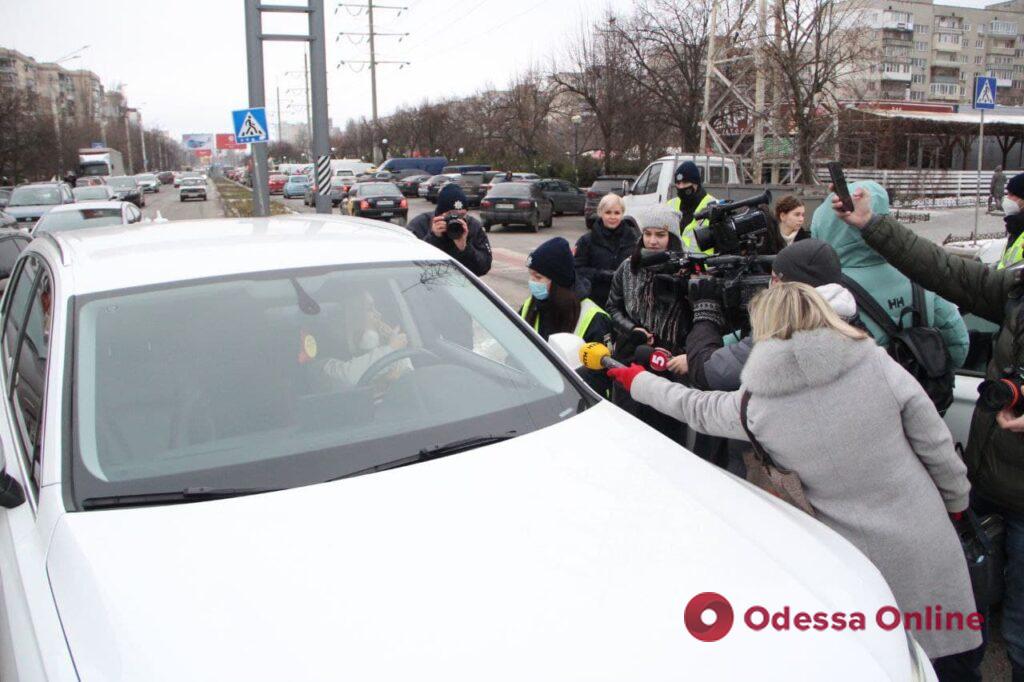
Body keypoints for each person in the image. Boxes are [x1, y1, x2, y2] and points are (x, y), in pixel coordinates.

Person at [607, 282, 981, 670]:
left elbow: (693, 406)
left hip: (844, 563)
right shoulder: (876, 364)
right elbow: (936, 445)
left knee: (877, 661)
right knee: (952, 654)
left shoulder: (755, 406)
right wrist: (956, 503)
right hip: (923, 543)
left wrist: (637, 380)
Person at [833, 184, 1024, 679]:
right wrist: (872, 225)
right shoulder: (1017, 291)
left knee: (1019, 630)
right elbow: (941, 269)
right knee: (969, 598)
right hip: (987, 484)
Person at [812, 180, 968, 370]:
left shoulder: (828, 291)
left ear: (826, 224)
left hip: (867, 394)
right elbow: (958, 343)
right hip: (919, 395)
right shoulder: (917, 274)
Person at [605, 204, 691, 442]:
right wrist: (631, 329)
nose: (653, 241)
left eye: (660, 235)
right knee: (630, 426)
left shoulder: (686, 271)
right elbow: (612, 306)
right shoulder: (627, 267)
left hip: (670, 362)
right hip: (632, 354)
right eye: (648, 234)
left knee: (667, 430)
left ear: (672, 238)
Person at [520, 237, 612, 346]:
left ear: (558, 282)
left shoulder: (595, 319)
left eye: (538, 277)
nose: (532, 281)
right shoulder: (530, 305)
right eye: (530, 275)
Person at [408, 183, 492, 276]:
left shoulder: (473, 227)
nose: (456, 219)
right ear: (439, 213)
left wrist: (464, 248)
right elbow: (409, 266)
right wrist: (434, 238)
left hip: (462, 286)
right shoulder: (420, 224)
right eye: (451, 214)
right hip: (427, 286)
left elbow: (484, 268)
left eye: (461, 215)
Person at [573, 193, 640, 307]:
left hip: (625, 300)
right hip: (596, 300)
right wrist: (601, 274)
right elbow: (578, 269)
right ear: (600, 213)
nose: (612, 217)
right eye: (608, 212)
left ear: (623, 213)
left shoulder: (633, 239)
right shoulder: (586, 241)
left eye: (617, 213)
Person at [666, 161, 716, 254]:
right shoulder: (670, 205)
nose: (681, 187)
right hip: (677, 265)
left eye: (685, 182)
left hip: (706, 266)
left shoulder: (713, 206)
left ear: (696, 183)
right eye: (678, 183)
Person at [998, 172, 1024, 270]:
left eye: (1012, 194)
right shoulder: (1015, 227)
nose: (1007, 199)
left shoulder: (1018, 226)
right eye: (1007, 194)